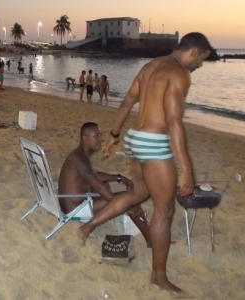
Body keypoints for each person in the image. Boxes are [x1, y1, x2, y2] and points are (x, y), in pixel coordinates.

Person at [74, 32, 212, 293]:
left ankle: (86, 228)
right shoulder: (179, 73)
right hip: (153, 143)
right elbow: (173, 122)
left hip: (135, 138)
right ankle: (158, 276)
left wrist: (115, 134)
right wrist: (187, 170)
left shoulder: (150, 66)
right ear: (193, 52)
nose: (200, 65)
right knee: (164, 211)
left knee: (138, 192)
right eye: (202, 59)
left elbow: (127, 100)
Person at [58, 122, 151, 247]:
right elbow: (99, 187)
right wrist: (124, 206)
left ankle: (150, 240)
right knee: (130, 199)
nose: (100, 140)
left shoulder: (78, 155)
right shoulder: (80, 159)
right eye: (95, 136)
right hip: (75, 208)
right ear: (84, 138)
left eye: (100, 136)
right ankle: (151, 242)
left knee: (123, 197)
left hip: (71, 202)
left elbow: (94, 176)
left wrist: (118, 177)